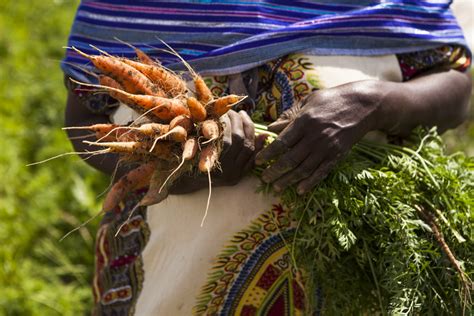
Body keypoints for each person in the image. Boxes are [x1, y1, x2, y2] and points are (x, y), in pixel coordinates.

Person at [62, 1, 472, 314]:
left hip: (356, 276)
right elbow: (83, 118)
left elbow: (459, 85)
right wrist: (173, 168)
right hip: (166, 279)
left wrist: (377, 102)